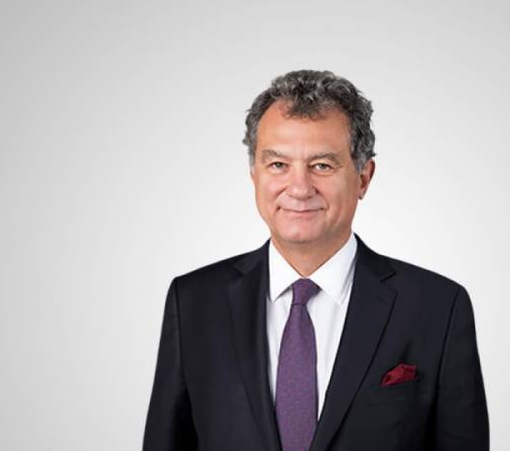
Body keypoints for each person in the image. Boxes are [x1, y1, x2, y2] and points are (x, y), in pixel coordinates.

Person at [142, 69, 489, 451]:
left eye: (322, 165)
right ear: (254, 174)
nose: (299, 188)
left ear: (363, 178)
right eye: (278, 165)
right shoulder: (194, 302)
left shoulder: (438, 308)